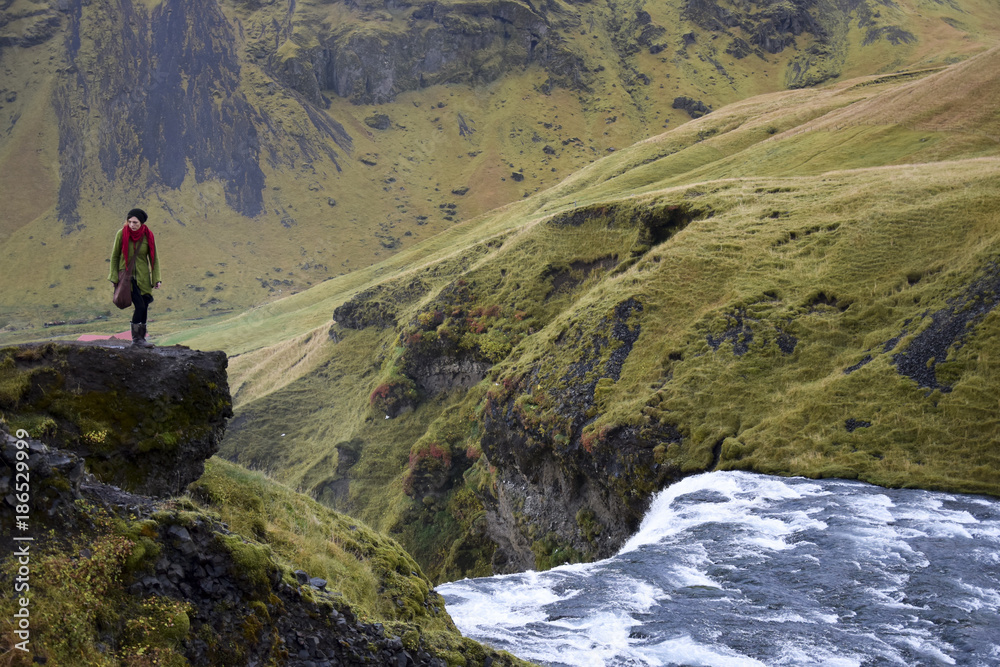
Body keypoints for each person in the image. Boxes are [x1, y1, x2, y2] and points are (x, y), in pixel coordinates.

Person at [108, 208, 161, 347]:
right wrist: (114, 277)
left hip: (143, 277)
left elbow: (154, 259)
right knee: (140, 305)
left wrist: (157, 279)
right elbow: (114, 257)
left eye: (135, 222)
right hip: (127, 278)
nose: (132, 225)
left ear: (141, 223)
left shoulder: (148, 236)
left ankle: (141, 338)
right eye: (130, 221)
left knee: (145, 305)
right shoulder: (121, 234)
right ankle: (136, 340)